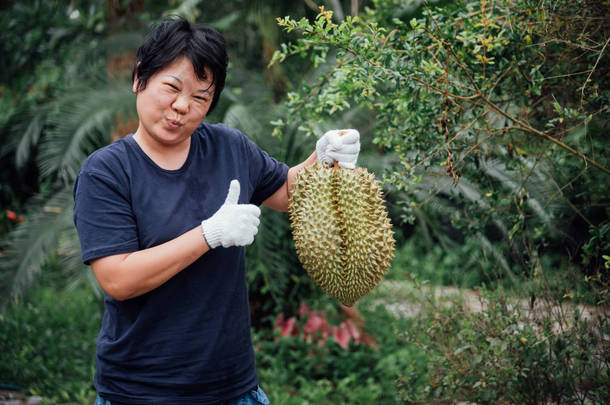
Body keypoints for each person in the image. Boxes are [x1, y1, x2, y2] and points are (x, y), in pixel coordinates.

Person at [73, 17, 359, 405]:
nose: (181, 106)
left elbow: (290, 192)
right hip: (142, 391)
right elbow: (118, 279)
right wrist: (208, 234)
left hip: (233, 388)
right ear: (140, 77)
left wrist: (323, 160)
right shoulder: (107, 171)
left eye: (200, 98)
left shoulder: (229, 147)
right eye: (172, 87)